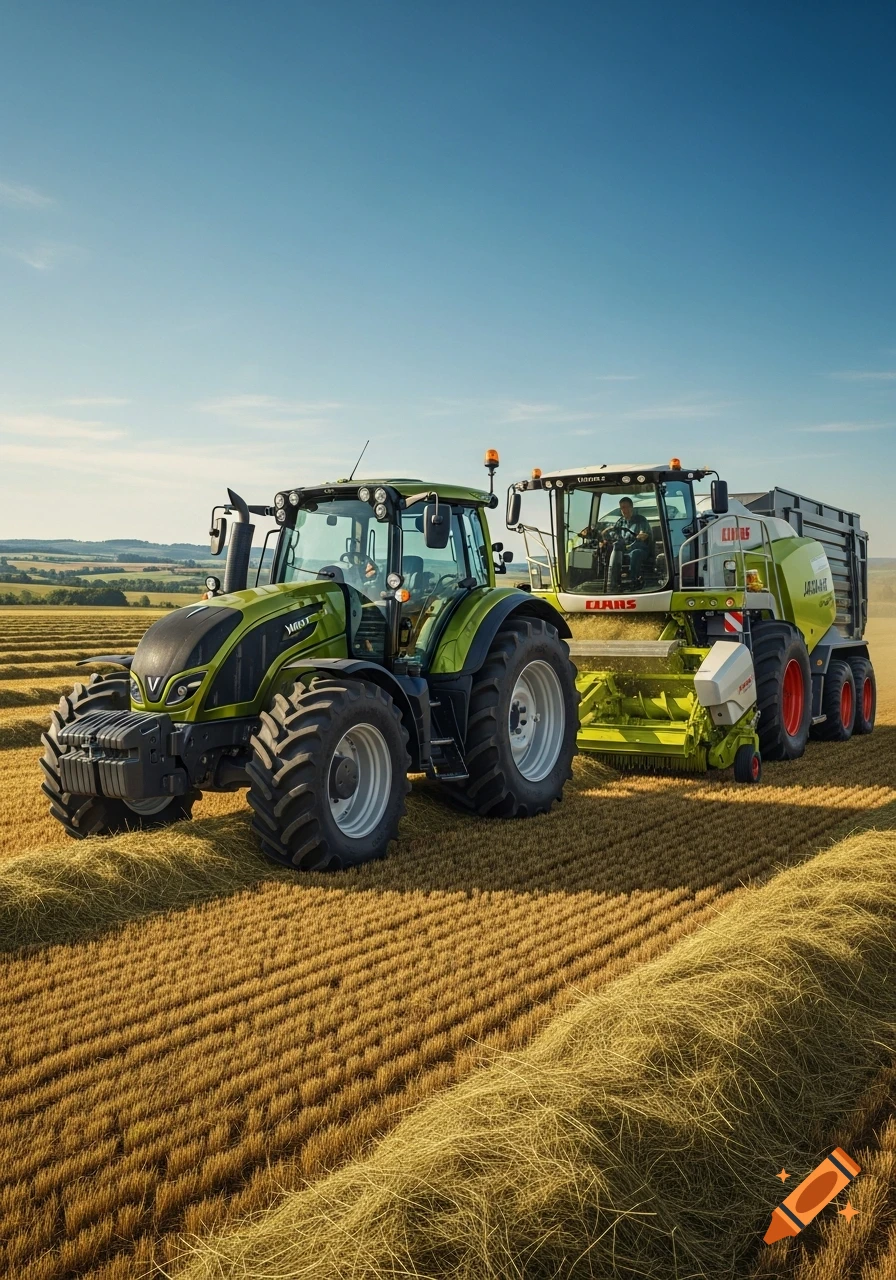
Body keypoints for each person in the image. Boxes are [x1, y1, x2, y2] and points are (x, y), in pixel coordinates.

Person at [581, 496, 654, 588]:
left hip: (639, 548)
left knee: (636, 553)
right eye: (622, 508)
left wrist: (641, 535)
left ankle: (633, 580)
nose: (624, 510)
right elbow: (613, 534)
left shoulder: (641, 520)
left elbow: (644, 534)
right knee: (609, 548)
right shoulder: (620, 522)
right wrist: (604, 539)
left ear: (631, 507)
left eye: (626, 507)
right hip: (623, 549)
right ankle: (610, 580)